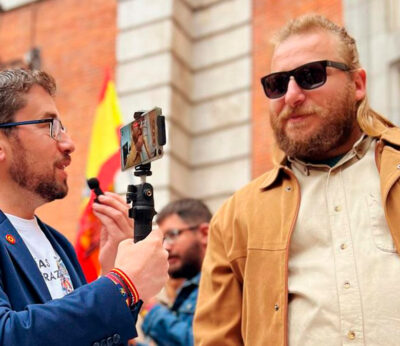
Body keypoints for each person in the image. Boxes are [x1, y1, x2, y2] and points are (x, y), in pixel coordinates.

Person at [194, 14, 400, 345]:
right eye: (277, 83)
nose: (291, 96)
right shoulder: (235, 217)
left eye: (310, 75)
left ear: (357, 84)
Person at [0, 68, 169, 345]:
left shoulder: (59, 244)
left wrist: (111, 273)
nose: (69, 144)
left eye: (63, 128)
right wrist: (121, 285)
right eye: (49, 125)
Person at [140, 199, 211, 346]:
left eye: (172, 235)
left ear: (204, 234)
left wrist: (150, 307)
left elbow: (200, 343)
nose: (165, 247)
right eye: (163, 239)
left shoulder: (221, 283)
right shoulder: (191, 287)